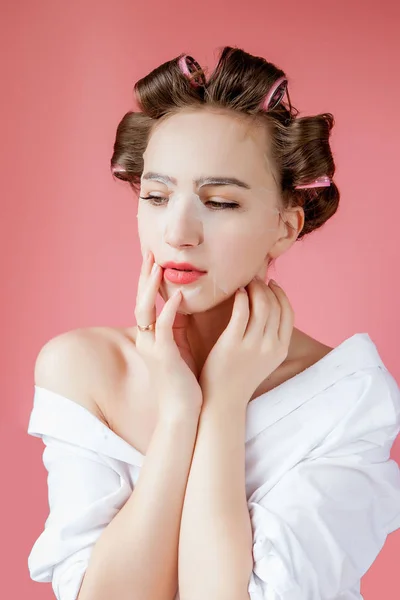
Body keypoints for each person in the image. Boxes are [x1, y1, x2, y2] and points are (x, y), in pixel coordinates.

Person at [27, 47, 400, 600]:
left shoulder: (347, 397)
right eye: (155, 196)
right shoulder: (83, 371)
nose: (178, 231)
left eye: (220, 202)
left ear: (285, 227)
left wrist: (224, 404)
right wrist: (180, 415)